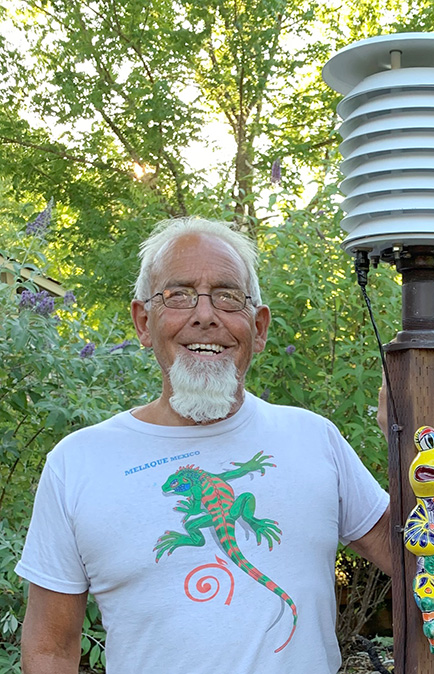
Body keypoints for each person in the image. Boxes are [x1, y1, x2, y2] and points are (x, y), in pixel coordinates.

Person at [16, 216, 391, 673]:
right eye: (178, 295)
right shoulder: (77, 463)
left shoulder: (316, 439)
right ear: (142, 322)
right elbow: (50, 650)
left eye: (228, 297)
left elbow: (417, 558)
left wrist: (412, 445)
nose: (205, 315)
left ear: (259, 328)